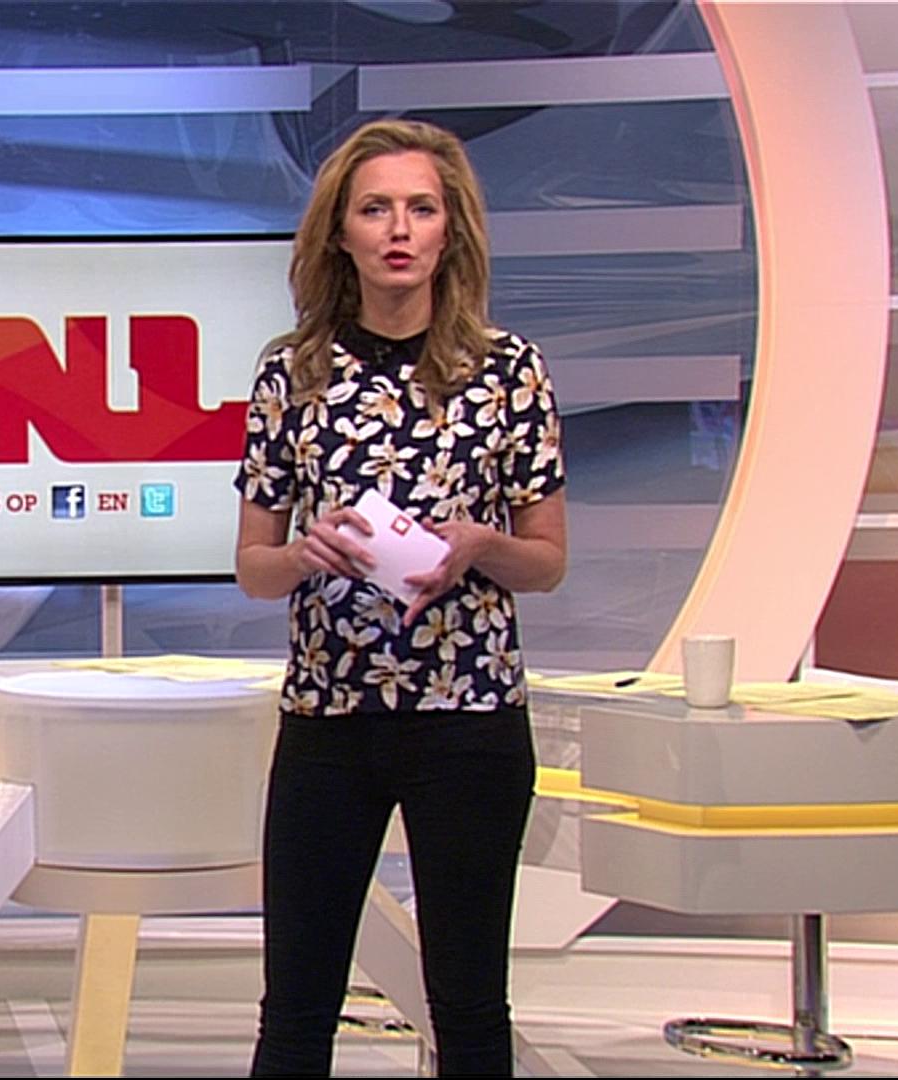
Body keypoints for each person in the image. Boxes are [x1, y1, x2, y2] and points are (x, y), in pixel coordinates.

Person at [235, 120, 567, 1076]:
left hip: (469, 719)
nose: (399, 229)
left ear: (450, 230)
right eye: (375, 208)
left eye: (421, 208)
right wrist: (306, 554)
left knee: (469, 1008)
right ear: (339, 232)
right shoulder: (292, 373)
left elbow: (547, 561)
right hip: (329, 719)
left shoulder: (509, 370)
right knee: (296, 1009)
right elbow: (253, 567)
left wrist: (481, 546)